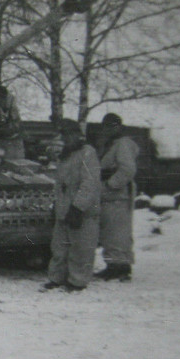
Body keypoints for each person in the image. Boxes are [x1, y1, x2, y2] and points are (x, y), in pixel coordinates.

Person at [44, 118, 102, 292]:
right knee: (59, 247)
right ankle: (57, 278)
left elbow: (89, 183)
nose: (66, 138)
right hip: (64, 208)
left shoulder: (87, 153)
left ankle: (78, 281)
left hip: (80, 211)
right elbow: (59, 185)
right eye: (64, 135)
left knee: (81, 247)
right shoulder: (65, 156)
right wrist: (56, 206)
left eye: (69, 134)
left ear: (78, 135)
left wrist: (78, 207)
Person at [95, 112, 139, 281]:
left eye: (111, 126)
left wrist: (111, 184)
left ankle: (120, 267)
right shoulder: (112, 145)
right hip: (111, 194)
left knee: (117, 232)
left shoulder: (122, 144)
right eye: (105, 126)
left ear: (119, 127)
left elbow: (127, 169)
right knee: (110, 231)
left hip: (117, 194)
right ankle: (114, 265)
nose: (107, 130)